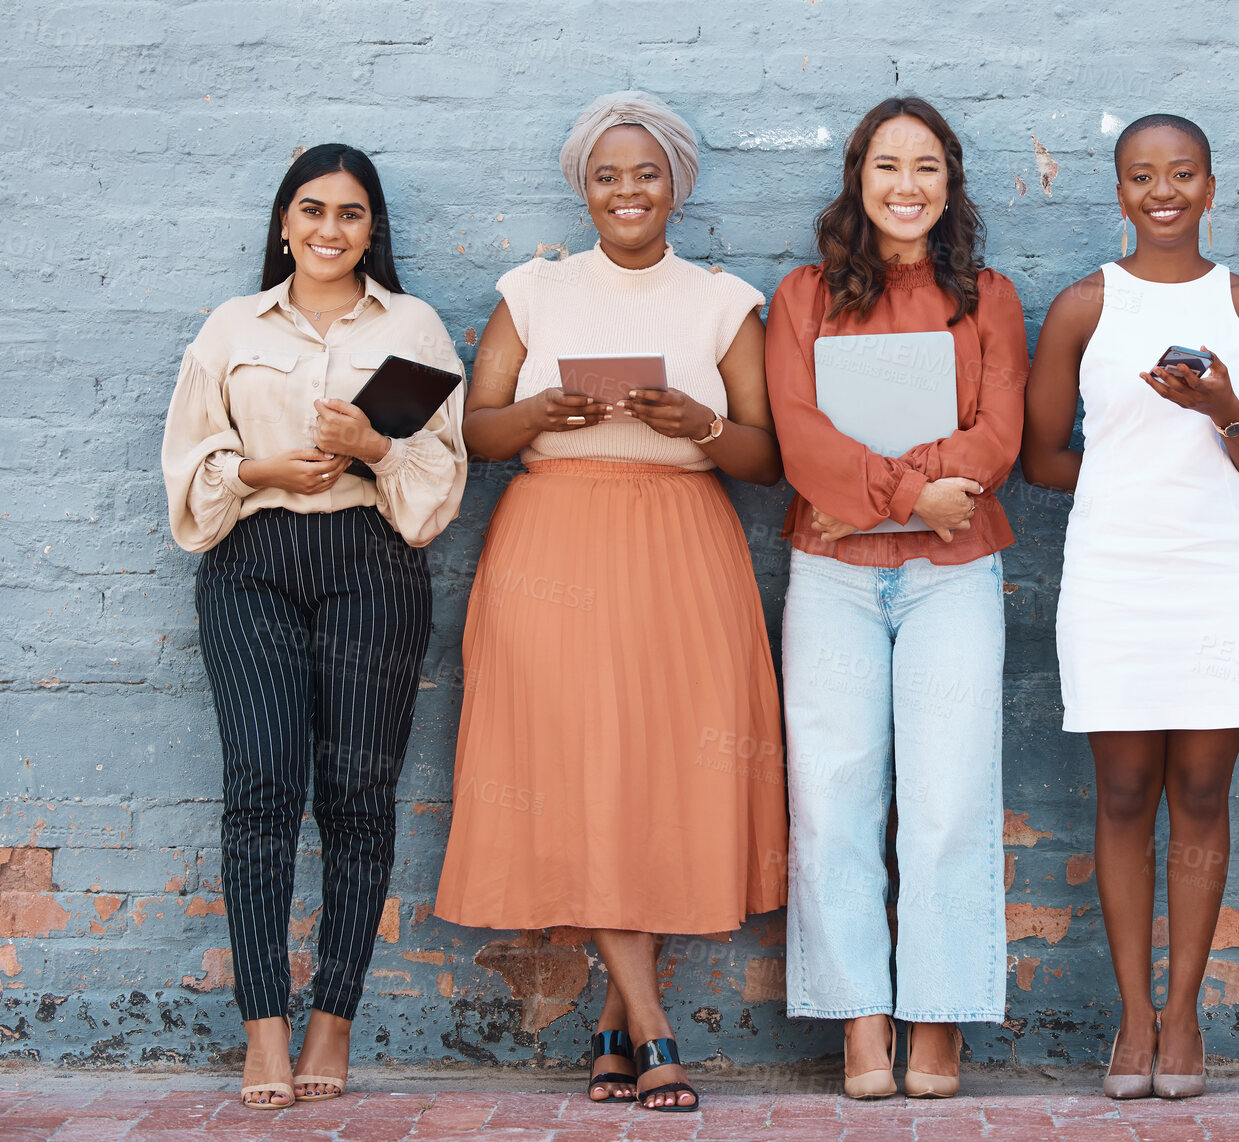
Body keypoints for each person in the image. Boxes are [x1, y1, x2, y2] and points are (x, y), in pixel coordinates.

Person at [431, 91, 786, 1114]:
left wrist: (702, 424)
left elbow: (768, 459)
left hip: (682, 546)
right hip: (554, 544)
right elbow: (478, 431)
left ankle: (612, 1026)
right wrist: (540, 410)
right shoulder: (533, 291)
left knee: (661, 777)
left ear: (676, 183)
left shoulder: (723, 300)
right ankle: (656, 1029)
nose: (626, 191)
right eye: (605, 174)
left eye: (645, 173)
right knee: (587, 774)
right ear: (581, 187)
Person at [161, 144, 468, 1109]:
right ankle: (263, 1028)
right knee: (259, 785)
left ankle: (333, 1014)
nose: (330, 230)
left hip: (373, 563)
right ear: (284, 225)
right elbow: (187, 464)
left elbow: (439, 481)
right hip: (252, 567)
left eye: (351, 214)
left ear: (373, 229)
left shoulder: (413, 325)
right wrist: (260, 472)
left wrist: (372, 446)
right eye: (313, 211)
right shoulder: (230, 327)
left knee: (357, 793)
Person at [1022, 115, 1239, 1099]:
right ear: (1120, 191)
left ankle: (1184, 1019)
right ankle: (1131, 1019)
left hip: (1220, 570)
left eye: (1182, 173)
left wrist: (1219, 411)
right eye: (1142, 175)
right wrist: (1124, 470)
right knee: (1125, 792)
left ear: (1212, 187)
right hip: (1114, 574)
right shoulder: (1083, 306)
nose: (1163, 190)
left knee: (1202, 796)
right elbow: (1040, 455)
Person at [766, 96, 1027, 1100]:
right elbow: (798, 435)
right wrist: (909, 493)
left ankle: (939, 1013)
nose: (906, 186)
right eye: (887, 166)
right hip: (830, 574)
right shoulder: (802, 295)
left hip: (952, 575)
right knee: (833, 797)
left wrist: (892, 498)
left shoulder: (988, 297)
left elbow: (994, 433)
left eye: (927, 167)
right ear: (857, 179)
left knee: (949, 796)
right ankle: (860, 1018)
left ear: (949, 182)